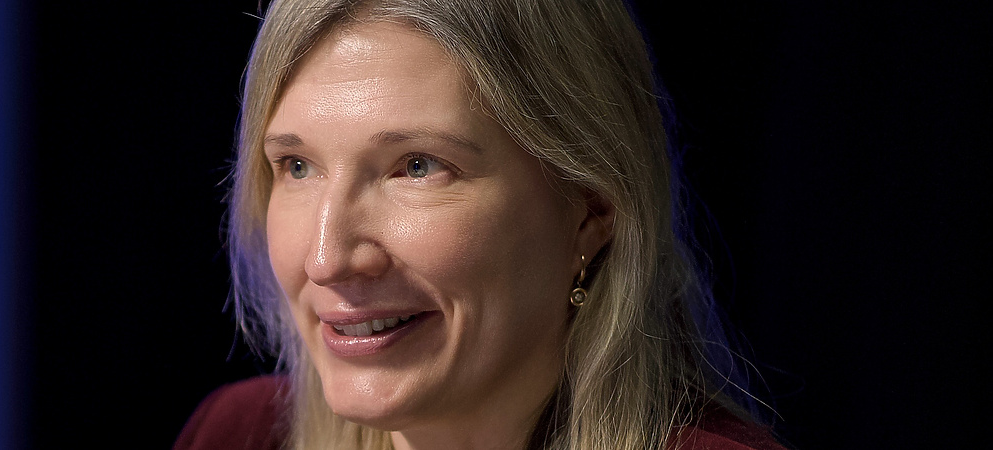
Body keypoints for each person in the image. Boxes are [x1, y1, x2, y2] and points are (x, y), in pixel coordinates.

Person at [177, 1, 787, 449]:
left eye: (417, 167)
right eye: (298, 165)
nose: (325, 257)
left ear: (592, 207)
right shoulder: (238, 434)